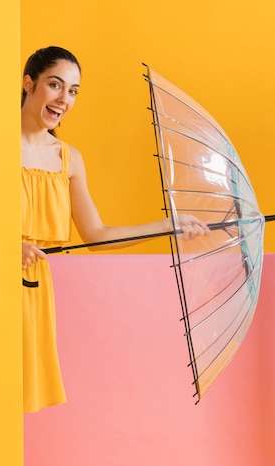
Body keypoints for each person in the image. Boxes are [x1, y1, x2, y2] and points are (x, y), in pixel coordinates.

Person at [21, 46, 210, 413]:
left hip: (32, 292)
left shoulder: (68, 158)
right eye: (55, 85)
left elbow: (96, 235)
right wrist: (6, 247)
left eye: (73, 91)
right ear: (29, 84)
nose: (64, 99)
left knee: (15, 398)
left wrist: (166, 225)